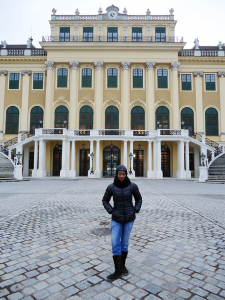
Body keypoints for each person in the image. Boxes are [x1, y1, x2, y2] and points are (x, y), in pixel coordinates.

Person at [102, 165, 142, 281]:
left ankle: (122, 267)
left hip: (129, 219)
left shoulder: (132, 186)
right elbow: (105, 200)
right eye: (119, 174)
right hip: (116, 219)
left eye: (123, 174)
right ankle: (118, 270)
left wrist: (136, 209)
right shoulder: (111, 187)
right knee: (115, 243)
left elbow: (139, 199)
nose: (121, 176)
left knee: (124, 243)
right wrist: (111, 210)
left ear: (126, 174)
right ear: (116, 174)